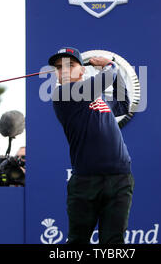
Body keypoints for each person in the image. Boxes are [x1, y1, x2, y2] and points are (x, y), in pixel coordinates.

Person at [49, 47, 134, 244]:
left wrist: (115, 71)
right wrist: (110, 65)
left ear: (82, 71)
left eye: (71, 65)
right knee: (77, 243)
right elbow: (105, 79)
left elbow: (123, 104)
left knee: (113, 243)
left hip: (119, 178)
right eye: (59, 67)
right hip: (86, 182)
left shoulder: (96, 97)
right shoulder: (62, 94)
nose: (64, 70)